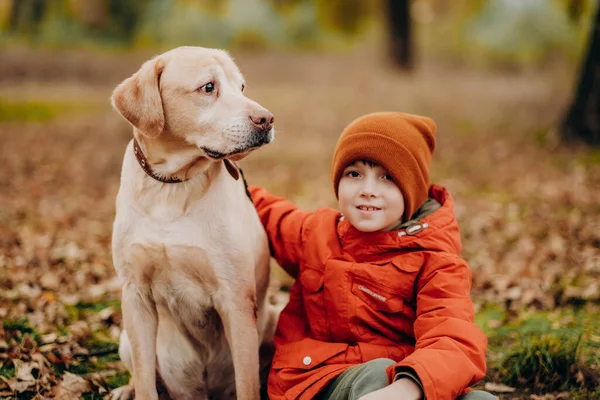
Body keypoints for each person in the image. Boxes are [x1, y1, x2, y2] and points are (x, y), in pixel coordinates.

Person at [249, 112, 496, 400]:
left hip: (401, 385)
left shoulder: (436, 263)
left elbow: (453, 337)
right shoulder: (315, 233)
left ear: (411, 191)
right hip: (314, 380)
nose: (368, 191)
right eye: (354, 174)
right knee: (377, 372)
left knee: (480, 399)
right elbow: (262, 208)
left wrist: (407, 388)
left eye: (387, 178)